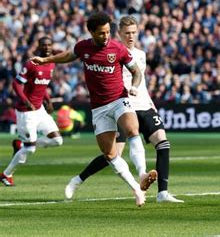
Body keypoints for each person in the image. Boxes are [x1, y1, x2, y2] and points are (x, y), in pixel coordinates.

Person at [29, 12, 156, 207]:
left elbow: (136, 72)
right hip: (99, 108)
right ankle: (136, 189)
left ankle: (142, 174)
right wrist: (46, 60)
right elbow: (68, 56)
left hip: (120, 99)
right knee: (110, 154)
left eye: (107, 32)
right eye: (101, 33)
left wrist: (134, 87)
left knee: (132, 130)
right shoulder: (83, 47)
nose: (106, 36)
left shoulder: (118, 48)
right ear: (91, 32)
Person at [64, 15, 183, 203]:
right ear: (118, 34)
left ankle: (162, 193)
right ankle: (79, 179)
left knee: (163, 142)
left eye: (134, 33)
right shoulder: (113, 51)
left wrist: (151, 103)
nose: (131, 36)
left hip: (143, 105)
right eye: (127, 33)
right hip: (121, 105)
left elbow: (139, 81)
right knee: (112, 154)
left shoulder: (141, 55)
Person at [1, 37, 63, 186]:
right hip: (26, 112)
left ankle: (22, 146)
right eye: (44, 45)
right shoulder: (31, 63)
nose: (47, 47)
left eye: (49, 45)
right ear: (39, 47)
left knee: (57, 140)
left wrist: (48, 100)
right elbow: (16, 84)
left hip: (39, 109)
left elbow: (41, 86)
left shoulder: (51, 63)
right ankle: (6, 174)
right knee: (31, 150)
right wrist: (26, 102)